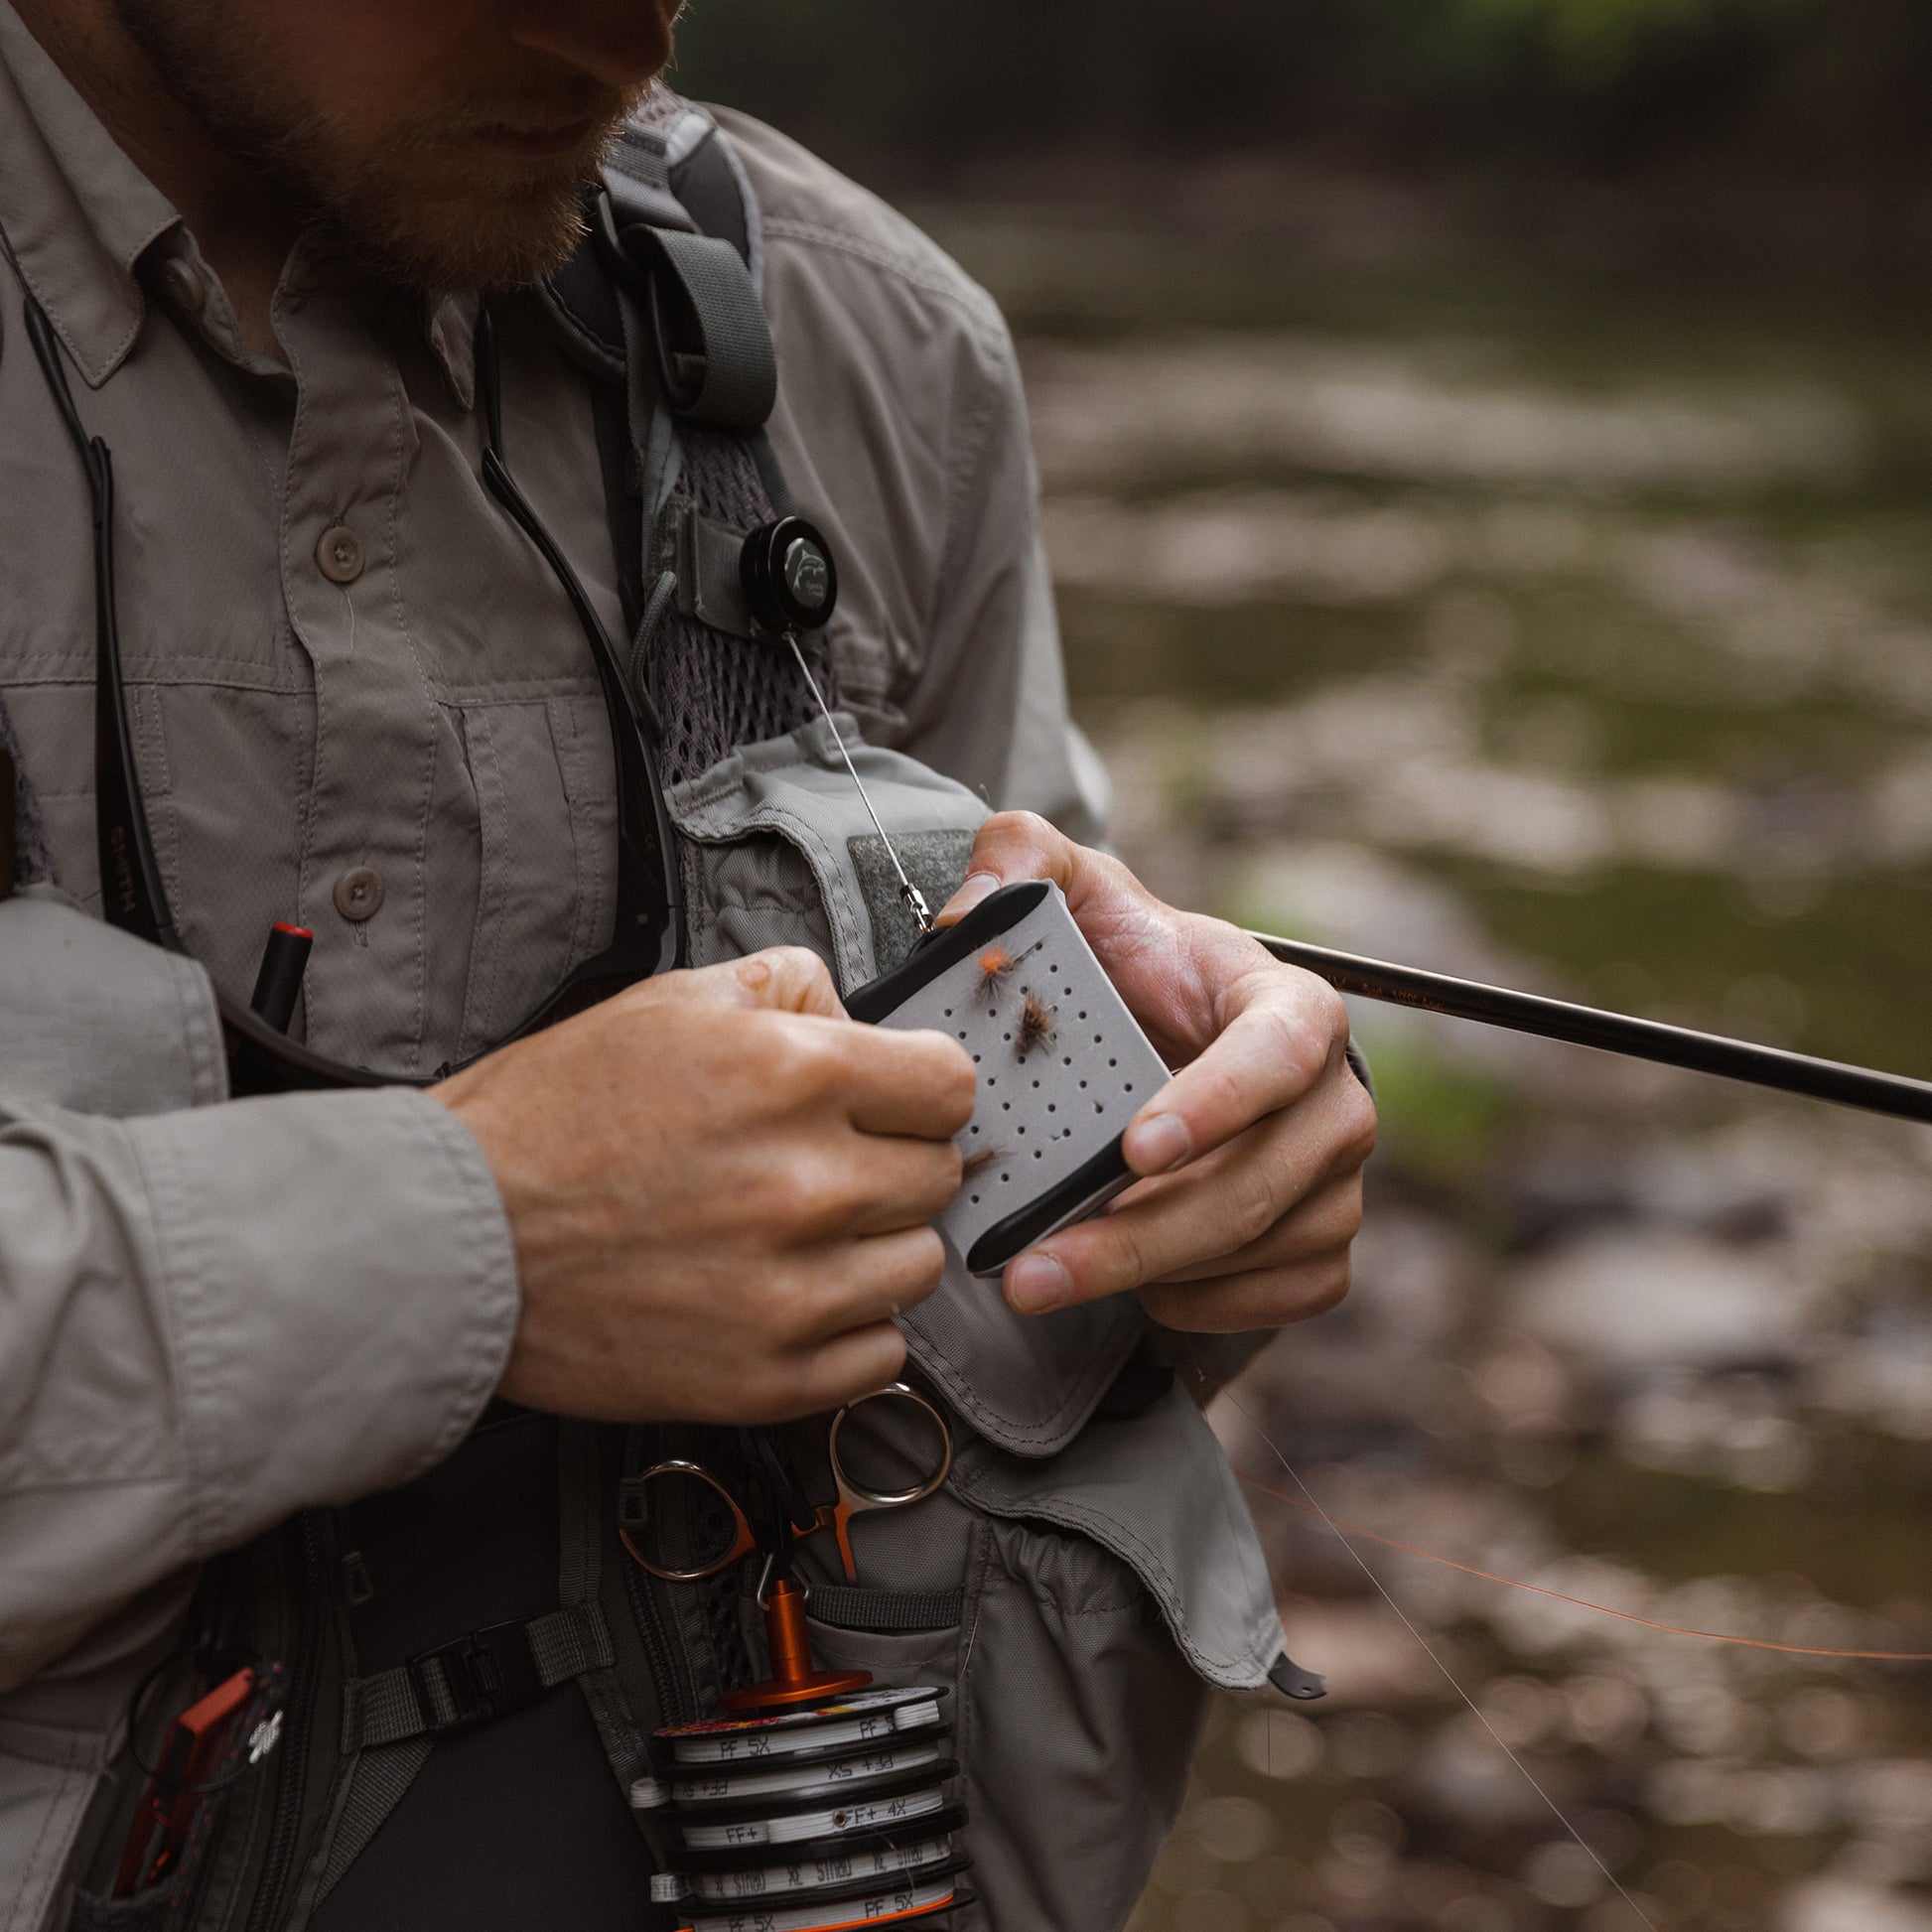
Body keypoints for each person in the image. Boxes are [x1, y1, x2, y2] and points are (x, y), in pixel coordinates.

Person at [0, 1, 1378, 1926]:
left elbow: (1025, 1283)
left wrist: (1204, 1182)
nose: (633, 24)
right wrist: (465, 1246)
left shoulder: (867, 350)